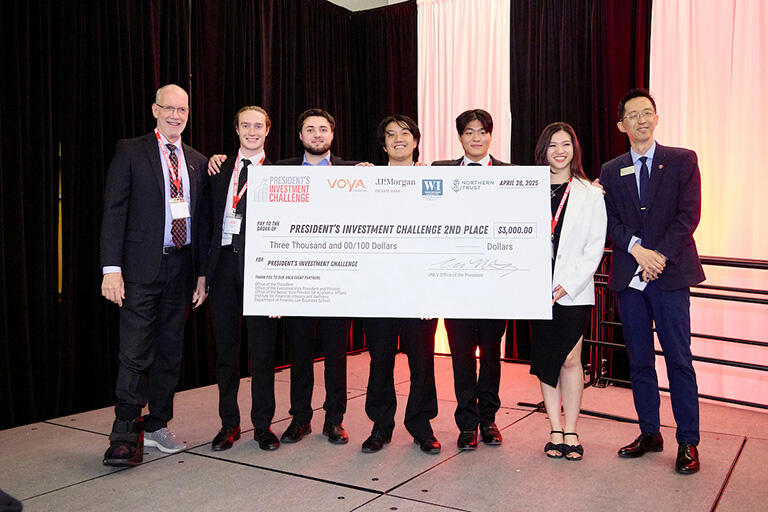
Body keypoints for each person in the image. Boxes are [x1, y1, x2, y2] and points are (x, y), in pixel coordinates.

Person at [100, 84, 210, 466]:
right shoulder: (131, 150)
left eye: (183, 109)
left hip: (181, 269)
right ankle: (124, 434)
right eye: (169, 108)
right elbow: (114, 211)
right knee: (135, 352)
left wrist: (200, 275)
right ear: (154, 110)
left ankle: (158, 423)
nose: (176, 115)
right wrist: (111, 269)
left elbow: (203, 221)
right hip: (140, 269)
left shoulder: (195, 160)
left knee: (169, 351)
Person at [599, 88, 705, 474]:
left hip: (672, 275)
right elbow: (609, 220)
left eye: (648, 113)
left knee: (679, 360)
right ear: (621, 125)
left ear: (656, 118)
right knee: (639, 360)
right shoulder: (610, 170)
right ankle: (650, 432)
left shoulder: (682, 160)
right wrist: (636, 250)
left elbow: (688, 215)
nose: (641, 120)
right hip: (631, 279)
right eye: (633, 115)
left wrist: (657, 256)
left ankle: (688, 441)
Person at [276, 108, 358, 445]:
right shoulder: (278, 173)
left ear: (333, 134)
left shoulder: (354, 172)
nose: (317, 135)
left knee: (337, 354)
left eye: (323, 129)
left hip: (339, 280)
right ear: (300, 136)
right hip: (298, 279)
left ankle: (335, 419)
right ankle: (300, 418)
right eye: (310, 129)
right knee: (299, 354)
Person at [361, 115, 441, 454]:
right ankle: (381, 425)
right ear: (383, 145)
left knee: (422, 359)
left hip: (420, 289)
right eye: (390, 135)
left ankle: (421, 425)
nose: (398, 139)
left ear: (416, 141)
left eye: (405, 133)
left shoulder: (434, 180)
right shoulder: (368, 181)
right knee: (380, 359)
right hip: (379, 287)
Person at [529, 122, 606, 460]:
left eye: (566, 145)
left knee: (571, 359)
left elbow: (596, 247)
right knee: (547, 359)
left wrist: (568, 284)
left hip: (573, 290)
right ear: (543, 151)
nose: (559, 151)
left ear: (574, 150)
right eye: (552, 145)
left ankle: (572, 428)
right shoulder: (527, 190)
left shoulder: (590, 193)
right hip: (533, 288)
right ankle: (554, 429)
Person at [432, 109, 509, 449]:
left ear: (490, 136)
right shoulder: (440, 171)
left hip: (495, 283)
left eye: (482, 132)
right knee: (461, 354)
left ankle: (489, 420)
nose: (476, 138)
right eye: (469, 133)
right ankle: (466, 422)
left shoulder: (511, 175)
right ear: (459, 138)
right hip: (455, 282)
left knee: (491, 353)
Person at [206, 106, 282, 452]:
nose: (251, 132)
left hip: (262, 269)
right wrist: (202, 274)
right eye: (245, 126)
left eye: (258, 126)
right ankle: (228, 424)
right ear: (236, 130)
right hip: (223, 266)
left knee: (263, 353)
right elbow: (204, 220)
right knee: (226, 351)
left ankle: (263, 425)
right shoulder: (218, 168)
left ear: (267, 131)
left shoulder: (280, 172)